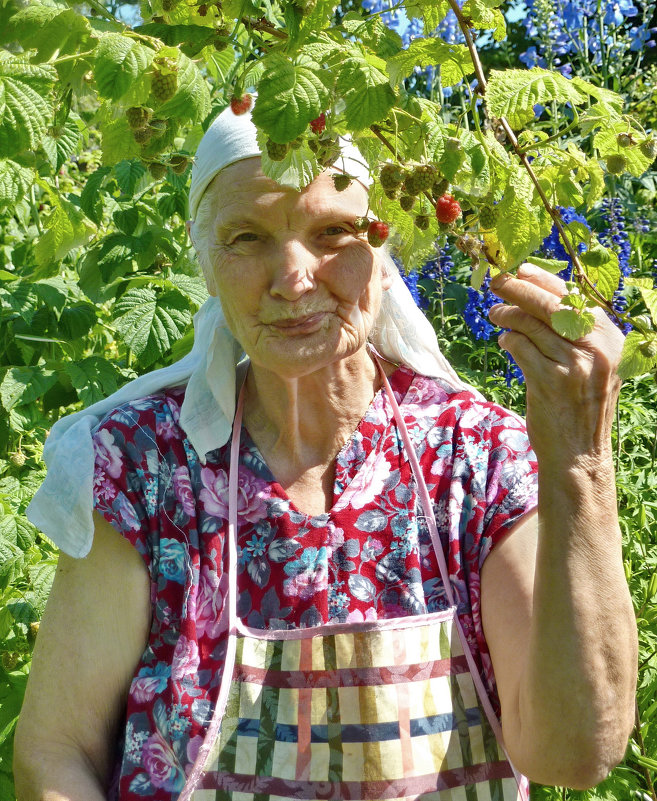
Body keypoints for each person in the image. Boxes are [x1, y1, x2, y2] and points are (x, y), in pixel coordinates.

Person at [14, 104, 637, 801]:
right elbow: (57, 750)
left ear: (384, 247)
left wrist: (578, 464)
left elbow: (574, 751)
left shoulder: (475, 458)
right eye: (246, 237)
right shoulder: (145, 466)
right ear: (206, 261)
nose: (293, 277)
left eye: (333, 231)